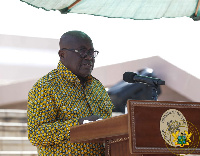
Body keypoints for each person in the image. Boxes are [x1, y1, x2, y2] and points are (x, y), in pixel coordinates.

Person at [27, 30, 114, 155]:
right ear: (62, 54)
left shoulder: (97, 87)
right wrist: (79, 124)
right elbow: (36, 134)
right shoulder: (46, 87)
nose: (89, 57)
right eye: (82, 51)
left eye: (91, 52)